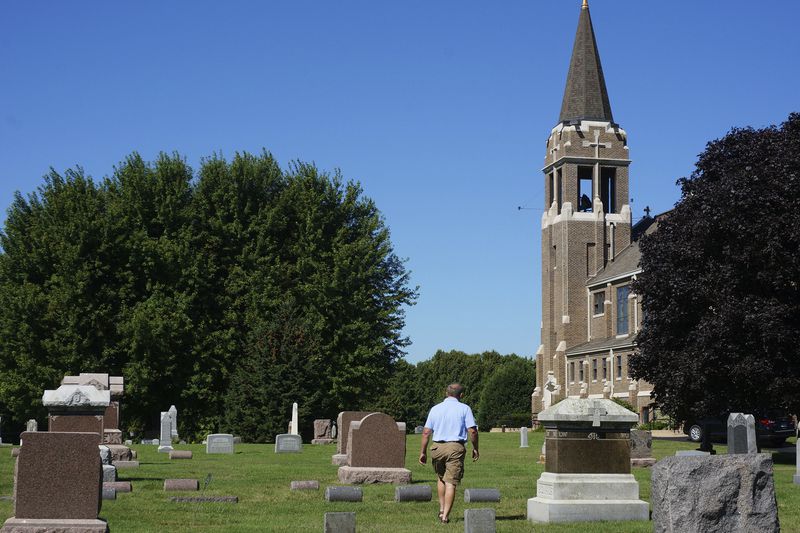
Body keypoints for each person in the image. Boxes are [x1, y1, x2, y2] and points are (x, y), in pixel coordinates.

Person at [418, 383, 479, 524]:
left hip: (437, 448)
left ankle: (441, 509)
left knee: (441, 478)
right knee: (450, 482)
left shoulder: (435, 409)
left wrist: (423, 452)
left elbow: (426, 432)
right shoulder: (465, 408)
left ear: (446, 393)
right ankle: (445, 516)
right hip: (455, 448)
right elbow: (473, 431)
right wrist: (475, 448)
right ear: (461, 395)